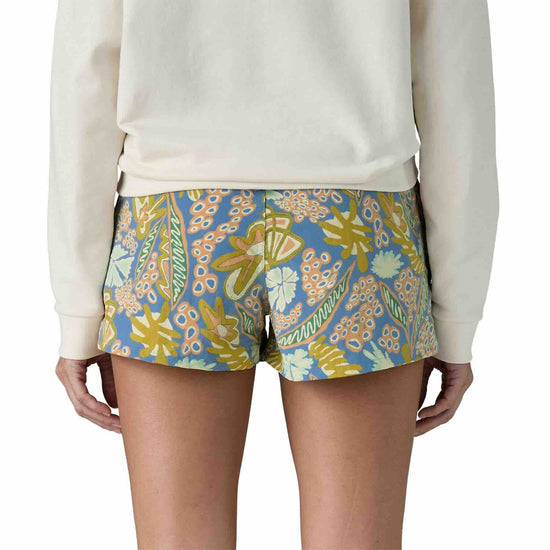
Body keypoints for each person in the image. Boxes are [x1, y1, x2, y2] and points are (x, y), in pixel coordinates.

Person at [48, 1, 498, 548]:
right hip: (355, 226)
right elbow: (456, 92)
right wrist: (455, 317)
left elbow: (86, 81)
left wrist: (79, 312)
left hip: (174, 225)